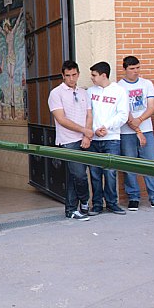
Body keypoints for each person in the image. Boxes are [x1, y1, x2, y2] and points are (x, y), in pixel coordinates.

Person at [118, 56, 154, 211]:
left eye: (137, 68)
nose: (135, 71)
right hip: (126, 132)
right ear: (125, 69)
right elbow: (123, 110)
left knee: (150, 164)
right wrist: (135, 126)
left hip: (147, 129)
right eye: (132, 69)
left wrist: (139, 120)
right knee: (129, 165)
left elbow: (151, 107)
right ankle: (133, 198)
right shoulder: (119, 87)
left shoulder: (146, 84)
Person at [48, 60, 93, 221]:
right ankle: (83, 202)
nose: (71, 79)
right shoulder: (56, 93)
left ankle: (72, 209)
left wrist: (87, 135)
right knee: (78, 175)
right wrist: (84, 131)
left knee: (78, 175)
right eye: (68, 76)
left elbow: (89, 114)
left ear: (78, 74)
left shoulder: (83, 92)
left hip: (85, 139)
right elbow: (61, 119)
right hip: (68, 140)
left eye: (74, 75)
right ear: (63, 75)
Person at [87, 62, 130, 216]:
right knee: (94, 173)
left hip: (112, 138)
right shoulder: (89, 92)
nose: (91, 78)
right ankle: (97, 204)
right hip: (93, 139)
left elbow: (123, 115)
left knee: (110, 173)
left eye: (94, 75)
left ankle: (112, 203)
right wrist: (93, 130)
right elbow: (87, 114)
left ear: (103, 75)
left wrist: (107, 127)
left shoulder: (119, 91)